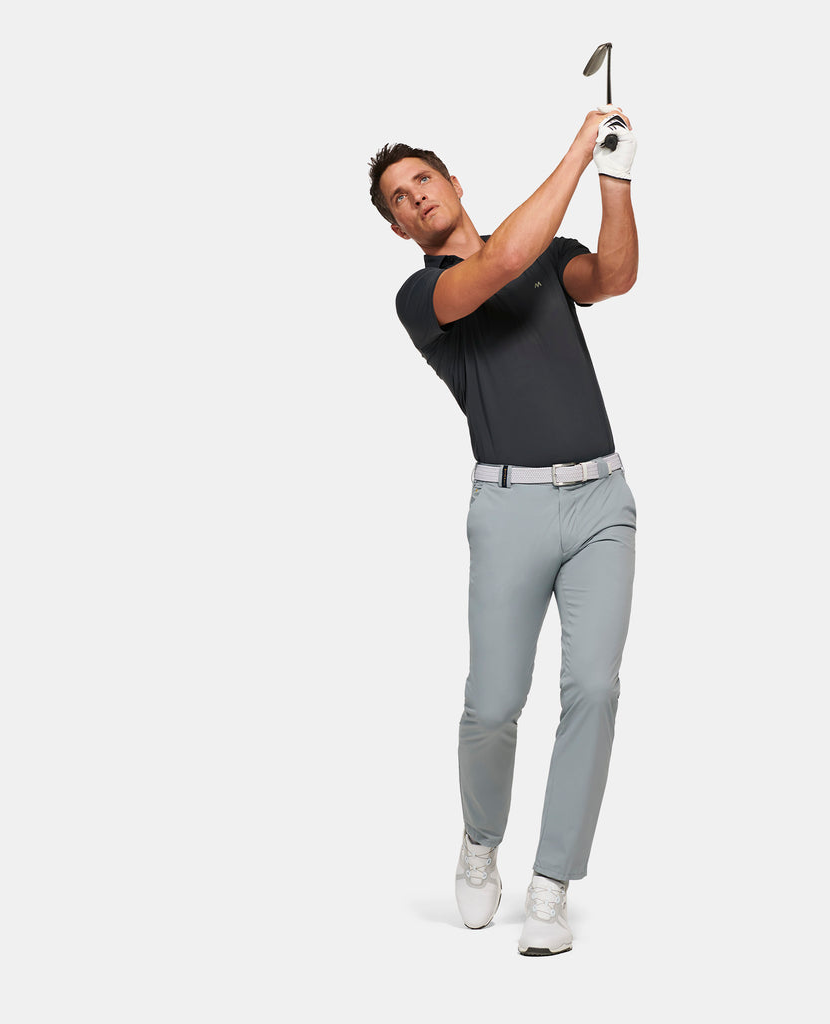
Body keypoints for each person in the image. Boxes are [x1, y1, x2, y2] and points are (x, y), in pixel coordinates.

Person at [368, 107, 638, 956]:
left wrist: (615, 176)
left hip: (602, 503)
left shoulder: (549, 255)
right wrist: (577, 148)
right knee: (493, 704)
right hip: (510, 507)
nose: (416, 197)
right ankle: (481, 841)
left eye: (423, 180)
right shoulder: (424, 297)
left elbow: (615, 276)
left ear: (454, 183)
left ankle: (552, 884)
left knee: (593, 690)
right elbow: (503, 260)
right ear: (398, 229)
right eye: (399, 199)